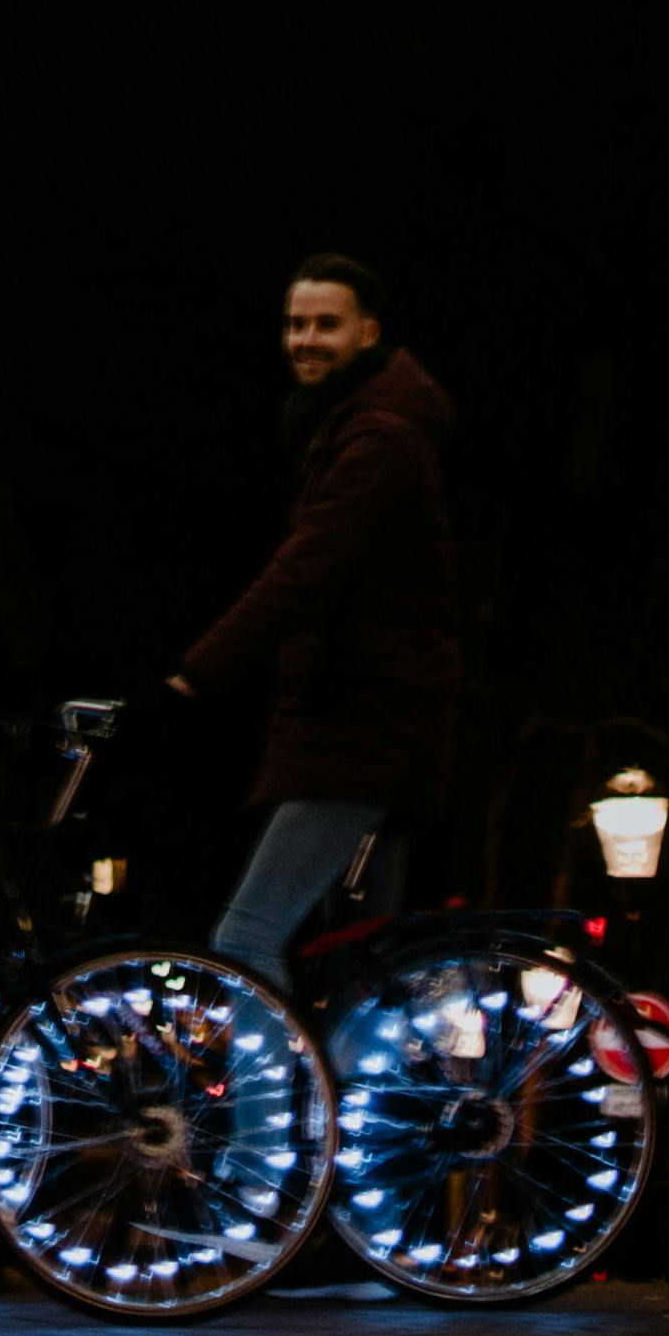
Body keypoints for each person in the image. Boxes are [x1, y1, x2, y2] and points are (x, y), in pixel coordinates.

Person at [153, 251, 459, 991]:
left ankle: (269, 1082)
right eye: (295, 325)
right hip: (372, 721)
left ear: (368, 333)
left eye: (326, 324)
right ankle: (366, 1071)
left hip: (360, 725)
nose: (305, 340)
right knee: (358, 957)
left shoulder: (378, 435)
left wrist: (191, 676)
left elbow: (305, 571)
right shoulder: (348, 424)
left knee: (246, 937)